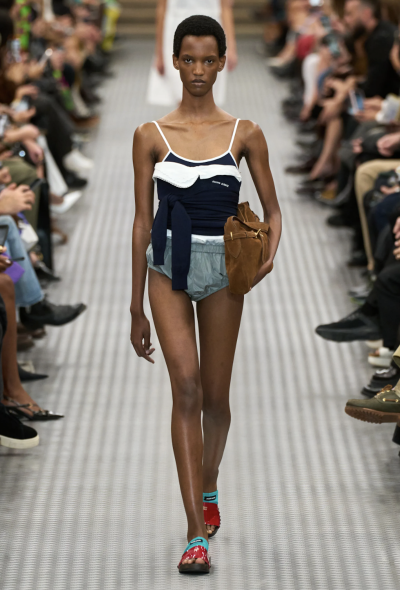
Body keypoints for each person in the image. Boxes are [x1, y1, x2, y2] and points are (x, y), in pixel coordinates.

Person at [131, 15, 281, 574]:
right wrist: (134, 306)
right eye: (188, 59)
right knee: (187, 389)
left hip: (223, 270)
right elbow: (141, 223)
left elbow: (274, 209)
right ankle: (195, 530)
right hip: (166, 269)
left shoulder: (245, 132)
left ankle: (209, 482)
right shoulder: (150, 134)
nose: (197, 70)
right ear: (175, 62)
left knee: (217, 398)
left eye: (207, 60)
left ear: (221, 62)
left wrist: (267, 256)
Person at [147, 0, 237, 106]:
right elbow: (162, 8)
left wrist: (231, 48)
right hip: (176, 33)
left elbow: (226, 7)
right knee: (182, 94)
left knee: (206, 95)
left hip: (210, 33)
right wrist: (159, 53)